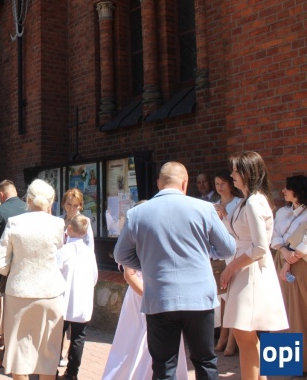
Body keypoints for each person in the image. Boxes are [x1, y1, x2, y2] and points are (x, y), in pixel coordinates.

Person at [114, 161, 235, 379]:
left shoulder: (137, 213)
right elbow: (227, 248)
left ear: (159, 184)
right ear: (185, 183)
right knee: (205, 361)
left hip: (160, 296)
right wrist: (205, 252)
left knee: (164, 366)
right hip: (198, 296)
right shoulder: (204, 209)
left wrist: (149, 265)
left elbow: (120, 255)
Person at [219, 152, 289, 380]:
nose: (232, 175)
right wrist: (223, 217)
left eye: (236, 171)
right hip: (246, 270)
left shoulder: (254, 202)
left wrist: (230, 268)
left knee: (244, 333)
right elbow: (242, 235)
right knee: (245, 335)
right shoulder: (247, 201)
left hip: (251, 272)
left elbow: (260, 247)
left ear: (248, 173)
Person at [0, 178, 65, 380]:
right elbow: (58, 253)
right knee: (49, 350)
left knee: (19, 350)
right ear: (51, 201)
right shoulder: (58, 224)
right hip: (51, 292)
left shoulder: (15, 222)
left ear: (28, 199)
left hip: (19, 291)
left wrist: (15, 269)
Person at [102, 267, 188, 380]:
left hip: (163, 295)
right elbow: (129, 274)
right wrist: (152, 298)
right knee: (136, 342)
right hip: (142, 294)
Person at [0, 179, 27, 368]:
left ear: (1, 195)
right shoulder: (29, 208)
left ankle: (7, 356)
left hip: (5, 268)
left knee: (7, 311)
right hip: (25, 267)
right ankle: (21, 353)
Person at [271, 175, 307, 373]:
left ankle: (303, 363)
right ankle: (284, 364)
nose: (283, 191)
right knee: (281, 309)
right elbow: (274, 235)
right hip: (281, 259)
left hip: (301, 264)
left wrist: (292, 257)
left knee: (300, 311)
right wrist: (284, 252)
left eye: (287, 188)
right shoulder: (282, 212)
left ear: (298, 191)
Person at [56, 214, 97, 380]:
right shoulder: (89, 253)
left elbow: (55, 273)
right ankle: (72, 373)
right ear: (86, 233)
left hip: (63, 300)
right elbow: (94, 277)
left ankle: (51, 370)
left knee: (57, 335)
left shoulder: (63, 251)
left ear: (69, 229)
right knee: (78, 337)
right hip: (82, 300)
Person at [212, 170, 243, 357]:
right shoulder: (214, 205)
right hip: (221, 255)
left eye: (223, 183)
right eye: (217, 184)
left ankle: (232, 339)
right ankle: (224, 335)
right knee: (224, 296)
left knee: (234, 297)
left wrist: (224, 216)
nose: (220, 187)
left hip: (238, 253)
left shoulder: (240, 203)